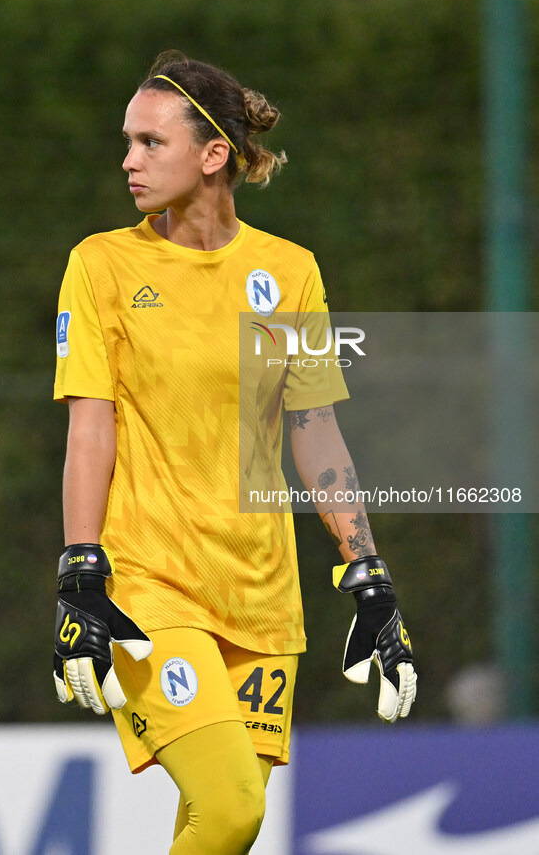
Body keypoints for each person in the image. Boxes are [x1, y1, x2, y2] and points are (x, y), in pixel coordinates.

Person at [52, 51, 416, 855]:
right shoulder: (101, 264)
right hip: (149, 588)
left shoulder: (288, 272)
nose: (127, 160)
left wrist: (368, 573)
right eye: (128, 141)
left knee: (221, 820)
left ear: (213, 155)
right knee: (228, 810)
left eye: (150, 142)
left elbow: (313, 428)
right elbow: (90, 425)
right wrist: (81, 566)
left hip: (259, 595)